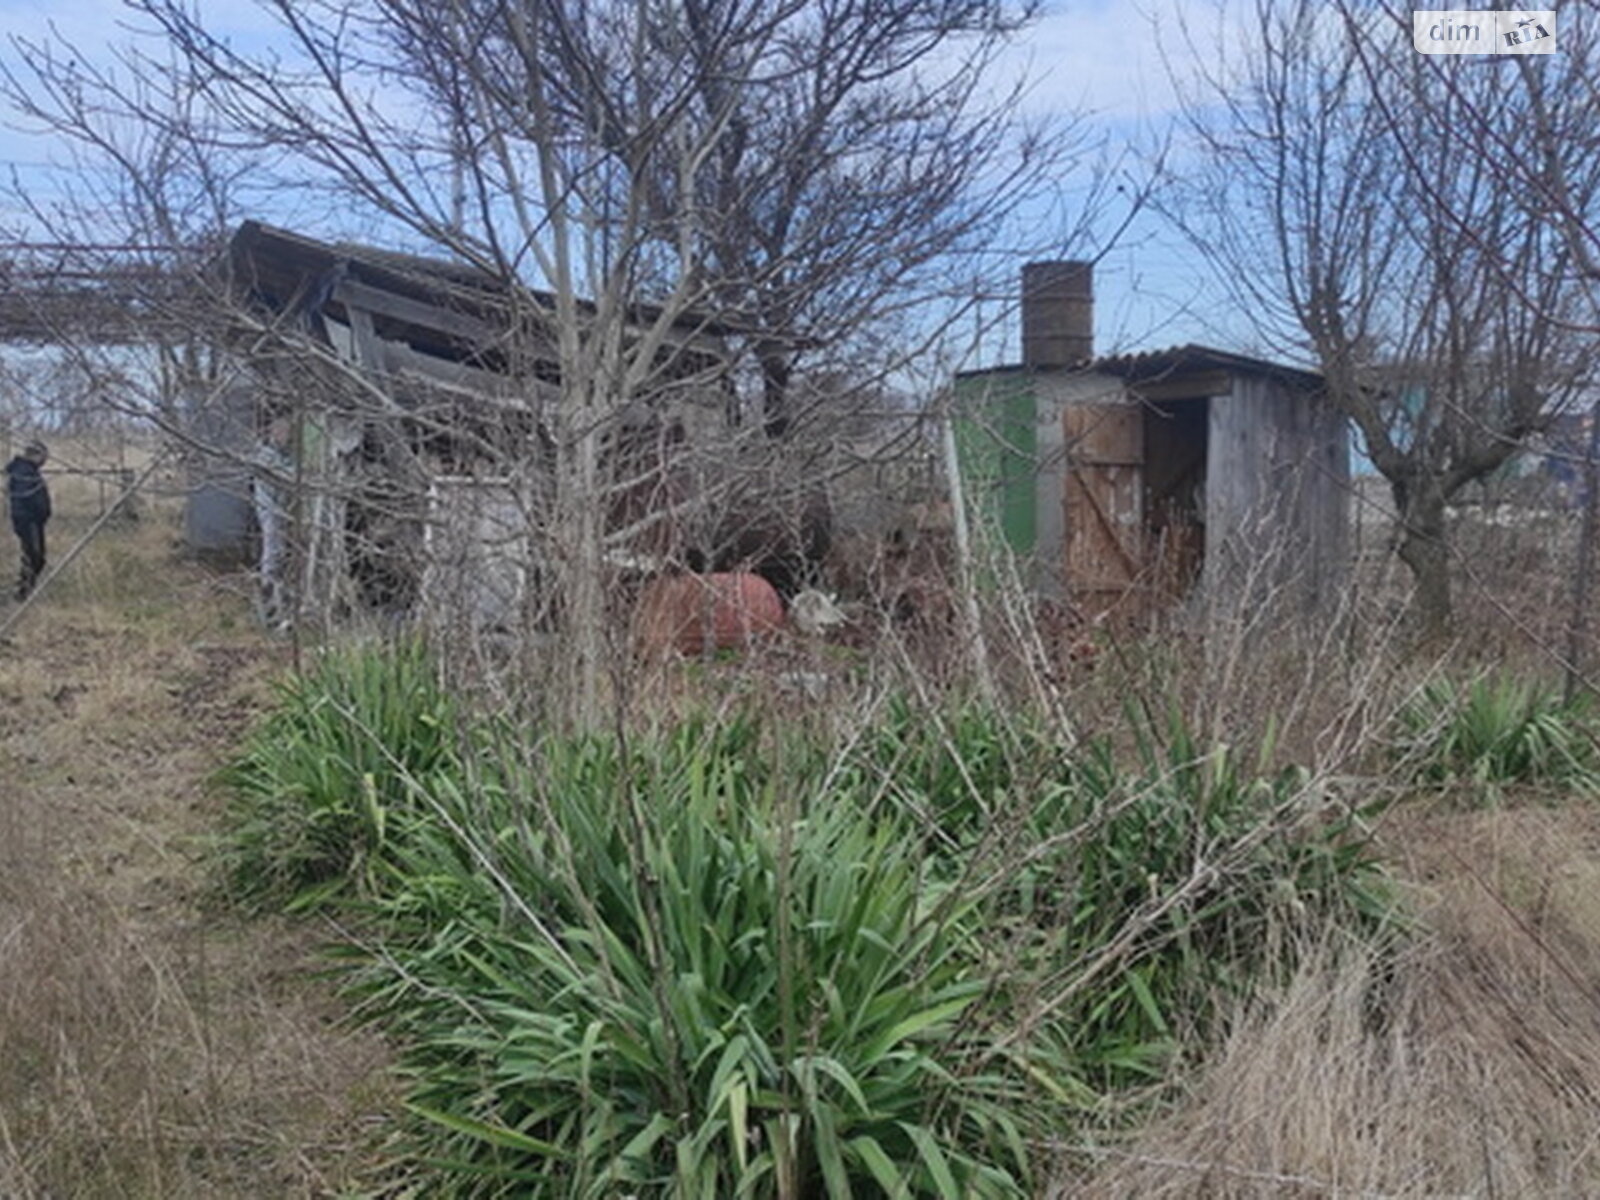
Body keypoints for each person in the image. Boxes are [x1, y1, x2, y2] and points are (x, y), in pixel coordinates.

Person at [5, 440, 51, 601]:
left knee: (33, 556)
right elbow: (28, 498)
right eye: (44, 457)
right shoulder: (23, 471)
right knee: (35, 557)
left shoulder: (28, 470)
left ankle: (24, 590)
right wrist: (39, 512)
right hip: (28, 521)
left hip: (33, 521)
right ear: (35, 455)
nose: (45, 461)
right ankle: (22, 593)